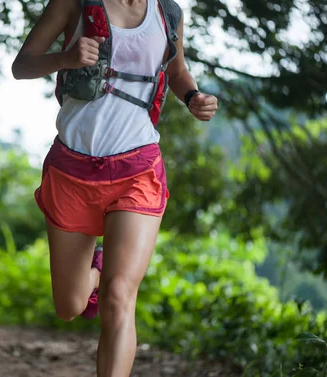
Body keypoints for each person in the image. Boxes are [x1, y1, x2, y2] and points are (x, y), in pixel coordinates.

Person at [11, 0, 217, 374]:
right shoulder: (74, 4)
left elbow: (176, 70)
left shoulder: (167, 13)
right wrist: (67, 57)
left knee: (119, 296)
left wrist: (193, 97)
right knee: (69, 306)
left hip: (137, 169)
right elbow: (21, 66)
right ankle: (96, 269)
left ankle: (107, 280)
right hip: (71, 171)